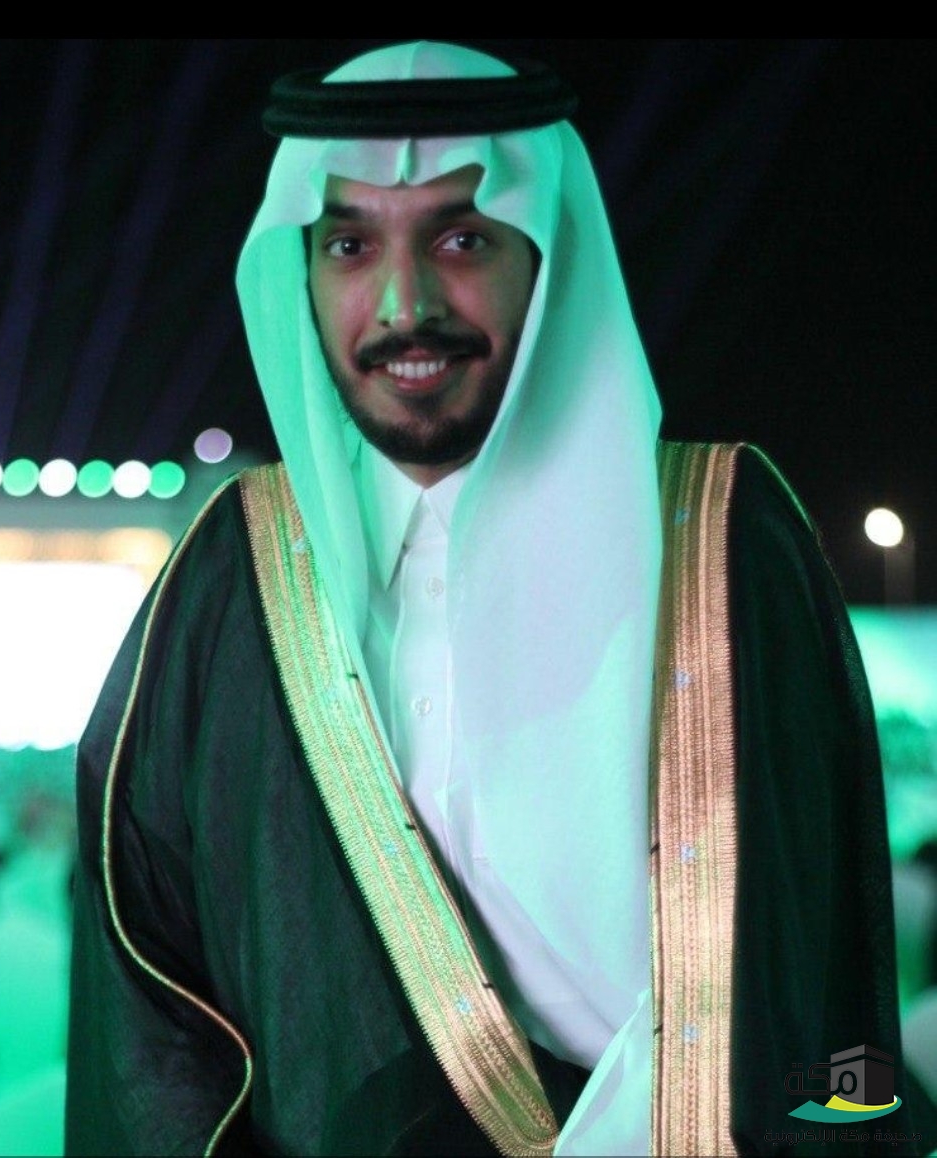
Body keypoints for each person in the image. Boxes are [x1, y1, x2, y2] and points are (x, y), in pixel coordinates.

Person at [65, 40, 932, 1156]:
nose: (405, 303)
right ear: (302, 272)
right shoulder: (234, 576)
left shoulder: (725, 537)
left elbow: (834, 965)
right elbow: (147, 1003)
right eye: (350, 245)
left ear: (547, 254)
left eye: (461, 238)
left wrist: (842, 1129)